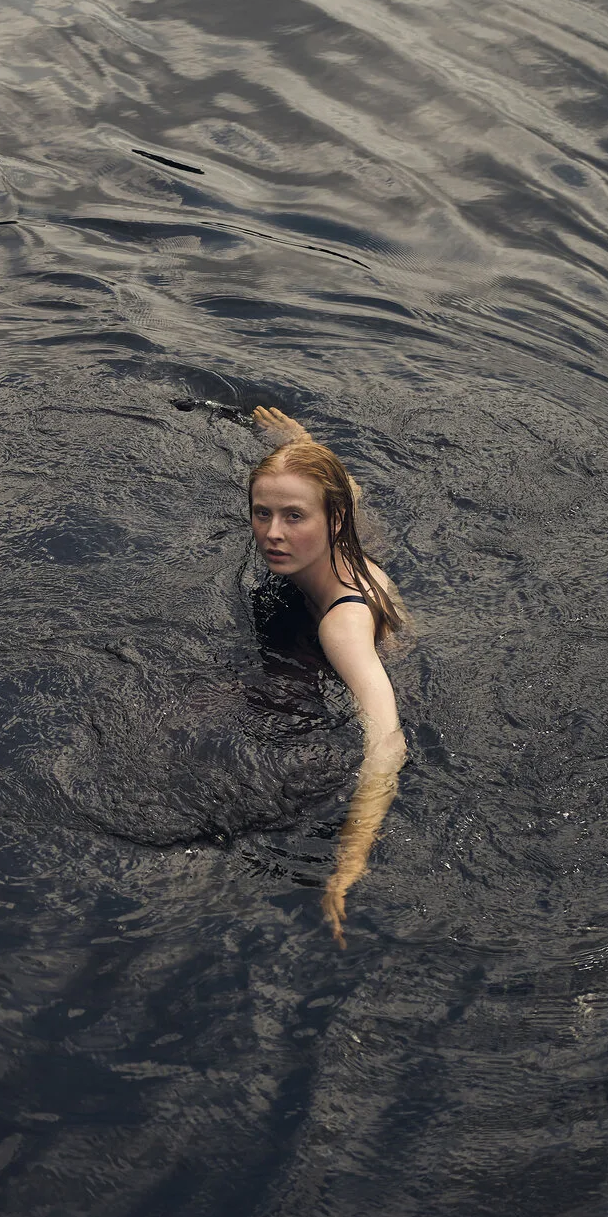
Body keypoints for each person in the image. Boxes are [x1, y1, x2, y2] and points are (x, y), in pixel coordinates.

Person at [248, 405, 408, 944]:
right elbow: (350, 490)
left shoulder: (341, 624)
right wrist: (298, 444)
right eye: (262, 513)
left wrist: (351, 858)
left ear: (331, 520)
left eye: (294, 516)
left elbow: (387, 739)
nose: (273, 533)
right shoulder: (348, 536)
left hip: (372, 668)